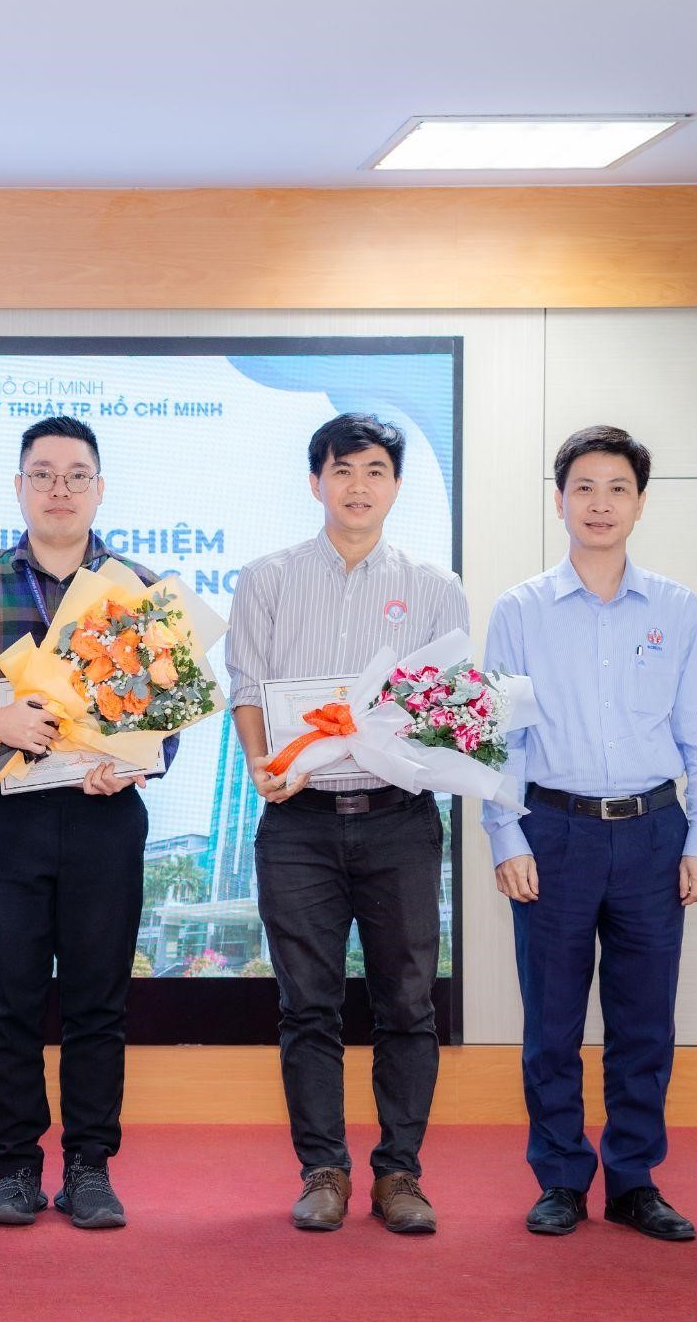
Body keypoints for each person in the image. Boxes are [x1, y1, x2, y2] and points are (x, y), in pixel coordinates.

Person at [225, 412, 467, 1234]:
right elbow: (248, 687)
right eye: (342, 470)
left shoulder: (435, 588)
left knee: (408, 1002)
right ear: (315, 481)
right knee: (308, 1005)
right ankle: (322, 1169)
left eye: (374, 471)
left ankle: (400, 1172)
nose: (357, 486)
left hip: (399, 820)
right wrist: (262, 764)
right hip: (299, 823)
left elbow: (445, 707)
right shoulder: (267, 578)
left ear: (395, 485)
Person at [483, 424, 697, 1243]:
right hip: (552, 830)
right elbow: (500, 737)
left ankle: (633, 1180)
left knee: (644, 1022)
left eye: (618, 487)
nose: (600, 502)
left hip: (655, 831)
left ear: (640, 503)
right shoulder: (520, 609)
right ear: (559, 501)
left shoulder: (677, 608)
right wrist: (506, 836)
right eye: (583, 487)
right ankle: (560, 1177)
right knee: (551, 1024)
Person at [0, 415, 169, 1231]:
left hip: (106, 813)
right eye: (43, 474)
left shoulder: (138, 586)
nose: (59, 489)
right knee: (8, 999)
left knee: (98, 1001)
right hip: (9, 816)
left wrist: (133, 759)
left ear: (100, 488)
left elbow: (167, 712)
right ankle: (16, 1167)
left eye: (75, 475)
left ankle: (90, 1167)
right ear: (20, 486)